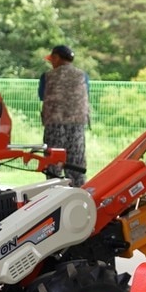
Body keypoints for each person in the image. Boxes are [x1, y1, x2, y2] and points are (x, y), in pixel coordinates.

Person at [39, 44, 90, 187]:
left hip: (54, 124)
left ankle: (53, 195)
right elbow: (86, 95)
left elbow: (41, 95)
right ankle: (78, 195)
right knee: (76, 165)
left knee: (53, 164)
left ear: (56, 58)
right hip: (77, 125)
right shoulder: (82, 76)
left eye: (52, 59)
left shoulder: (47, 76)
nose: (51, 62)